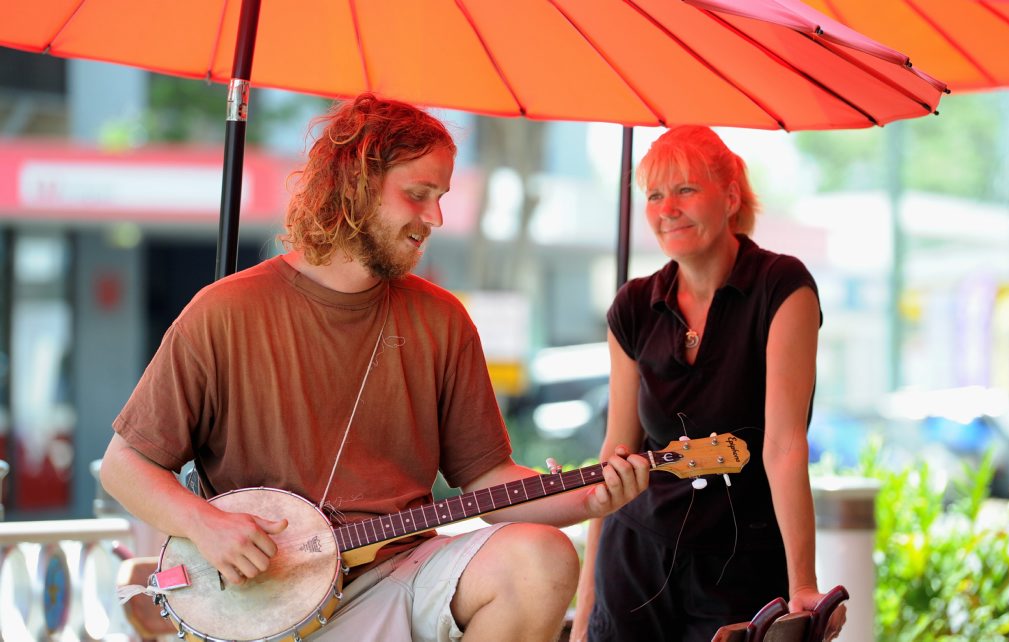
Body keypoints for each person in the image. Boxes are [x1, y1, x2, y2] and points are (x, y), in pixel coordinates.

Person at [100, 93, 650, 642]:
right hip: (262, 598)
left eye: (440, 197)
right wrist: (208, 526)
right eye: (418, 195)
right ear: (356, 186)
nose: (434, 217)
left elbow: (489, 480)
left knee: (540, 559)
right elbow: (124, 465)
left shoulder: (442, 319)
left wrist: (588, 497)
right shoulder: (223, 311)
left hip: (399, 574)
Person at [569, 126, 844, 642]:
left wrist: (802, 584)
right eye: (653, 194)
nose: (666, 208)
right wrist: (586, 610)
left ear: (731, 196)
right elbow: (617, 452)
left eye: (685, 189)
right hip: (635, 556)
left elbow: (784, 446)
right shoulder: (631, 307)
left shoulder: (782, 287)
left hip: (740, 563)